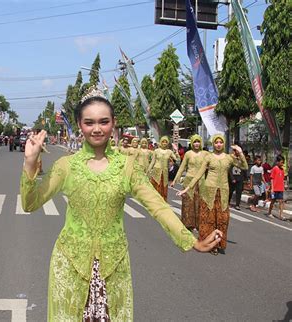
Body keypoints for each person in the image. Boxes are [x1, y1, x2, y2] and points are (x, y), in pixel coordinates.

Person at [20, 89, 222, 321]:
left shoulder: (127, 167)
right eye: (89, 122)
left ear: (113, 123)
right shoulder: (66, 166)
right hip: (70, 264)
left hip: (112, 268)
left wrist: (190, 240)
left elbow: (158, 206)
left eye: (104, 122)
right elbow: (30, 203)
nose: (97, 129)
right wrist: (29, 162)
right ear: (79, 125)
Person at [178, 134, 247, 255]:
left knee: (222, 219)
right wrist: (187, 188)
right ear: (213, 144)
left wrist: (240, 153)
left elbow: (244, 166)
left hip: (224, 192)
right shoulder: (208, 157)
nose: (218, 144)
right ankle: (209, 245)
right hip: (209, 192)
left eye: (221, 142)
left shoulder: (229, 158)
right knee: (208, 219)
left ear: (223, 144)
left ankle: (219, 243)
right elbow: (199, 174)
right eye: (216, 142)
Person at [170, 135, 209, 231]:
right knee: (188, 203)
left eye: (198, 141)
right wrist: (175, 181)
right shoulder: (188, 154)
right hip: (188, 181)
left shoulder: (206, 154)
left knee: (200, 203)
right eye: (195, 142)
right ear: (191, 143)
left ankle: (199, 225)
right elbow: (182, 168)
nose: (196, 144)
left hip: (201, 182)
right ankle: (188, 225)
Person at [147, 136, 179, 200]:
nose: (164, 143)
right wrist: (148, 172)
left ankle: (162, 205)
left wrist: (176, 151)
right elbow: (152, 162)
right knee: (155, 189)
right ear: (160, 142)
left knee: (163, 190)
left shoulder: (169, 151)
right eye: (163, 142)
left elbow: (177, 160)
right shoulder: (156, 151)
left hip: (164, 173)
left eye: (166, 142)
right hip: (156, 172)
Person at [268, 155, 286, 220]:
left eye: (283, 162)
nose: (282, 164)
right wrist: (272, 188)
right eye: (281, 162)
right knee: (273, 201)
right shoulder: (275, 168)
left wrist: (284, 185)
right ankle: (269, 212)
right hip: (275, 188)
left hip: (280, 188)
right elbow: (272, 179)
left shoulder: (282, 170)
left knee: (281, 201)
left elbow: (283, 179)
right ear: (277, 162)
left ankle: (281, 215)